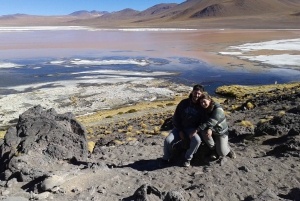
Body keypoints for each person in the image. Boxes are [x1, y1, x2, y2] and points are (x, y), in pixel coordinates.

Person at [159, 84, 205, 167]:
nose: (197, 95)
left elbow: (204, 120)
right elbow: (175, 118)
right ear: (192, 92)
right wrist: (180, 130)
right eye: (195, 92)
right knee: (168, 140)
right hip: (179, 128)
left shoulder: (202, 105)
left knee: (197, 140)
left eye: (199, 93)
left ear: (202, 94)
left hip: (192, 129)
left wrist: (197, 130)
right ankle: (166, 158)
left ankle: (188, 158)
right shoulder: (184, 103)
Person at [198, 93, 236, 159]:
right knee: (203, 132)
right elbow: (206, 121)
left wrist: (197, 130)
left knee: (222, 153)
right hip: (212, 130)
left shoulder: (218, 109)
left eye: (204, 101)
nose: (203, 104)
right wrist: (209, 129)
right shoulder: (203, 109)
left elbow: (212, 122)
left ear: (209, 100)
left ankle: (228, 148)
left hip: (220, 132)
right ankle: (213, 150)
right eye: (201, 102)